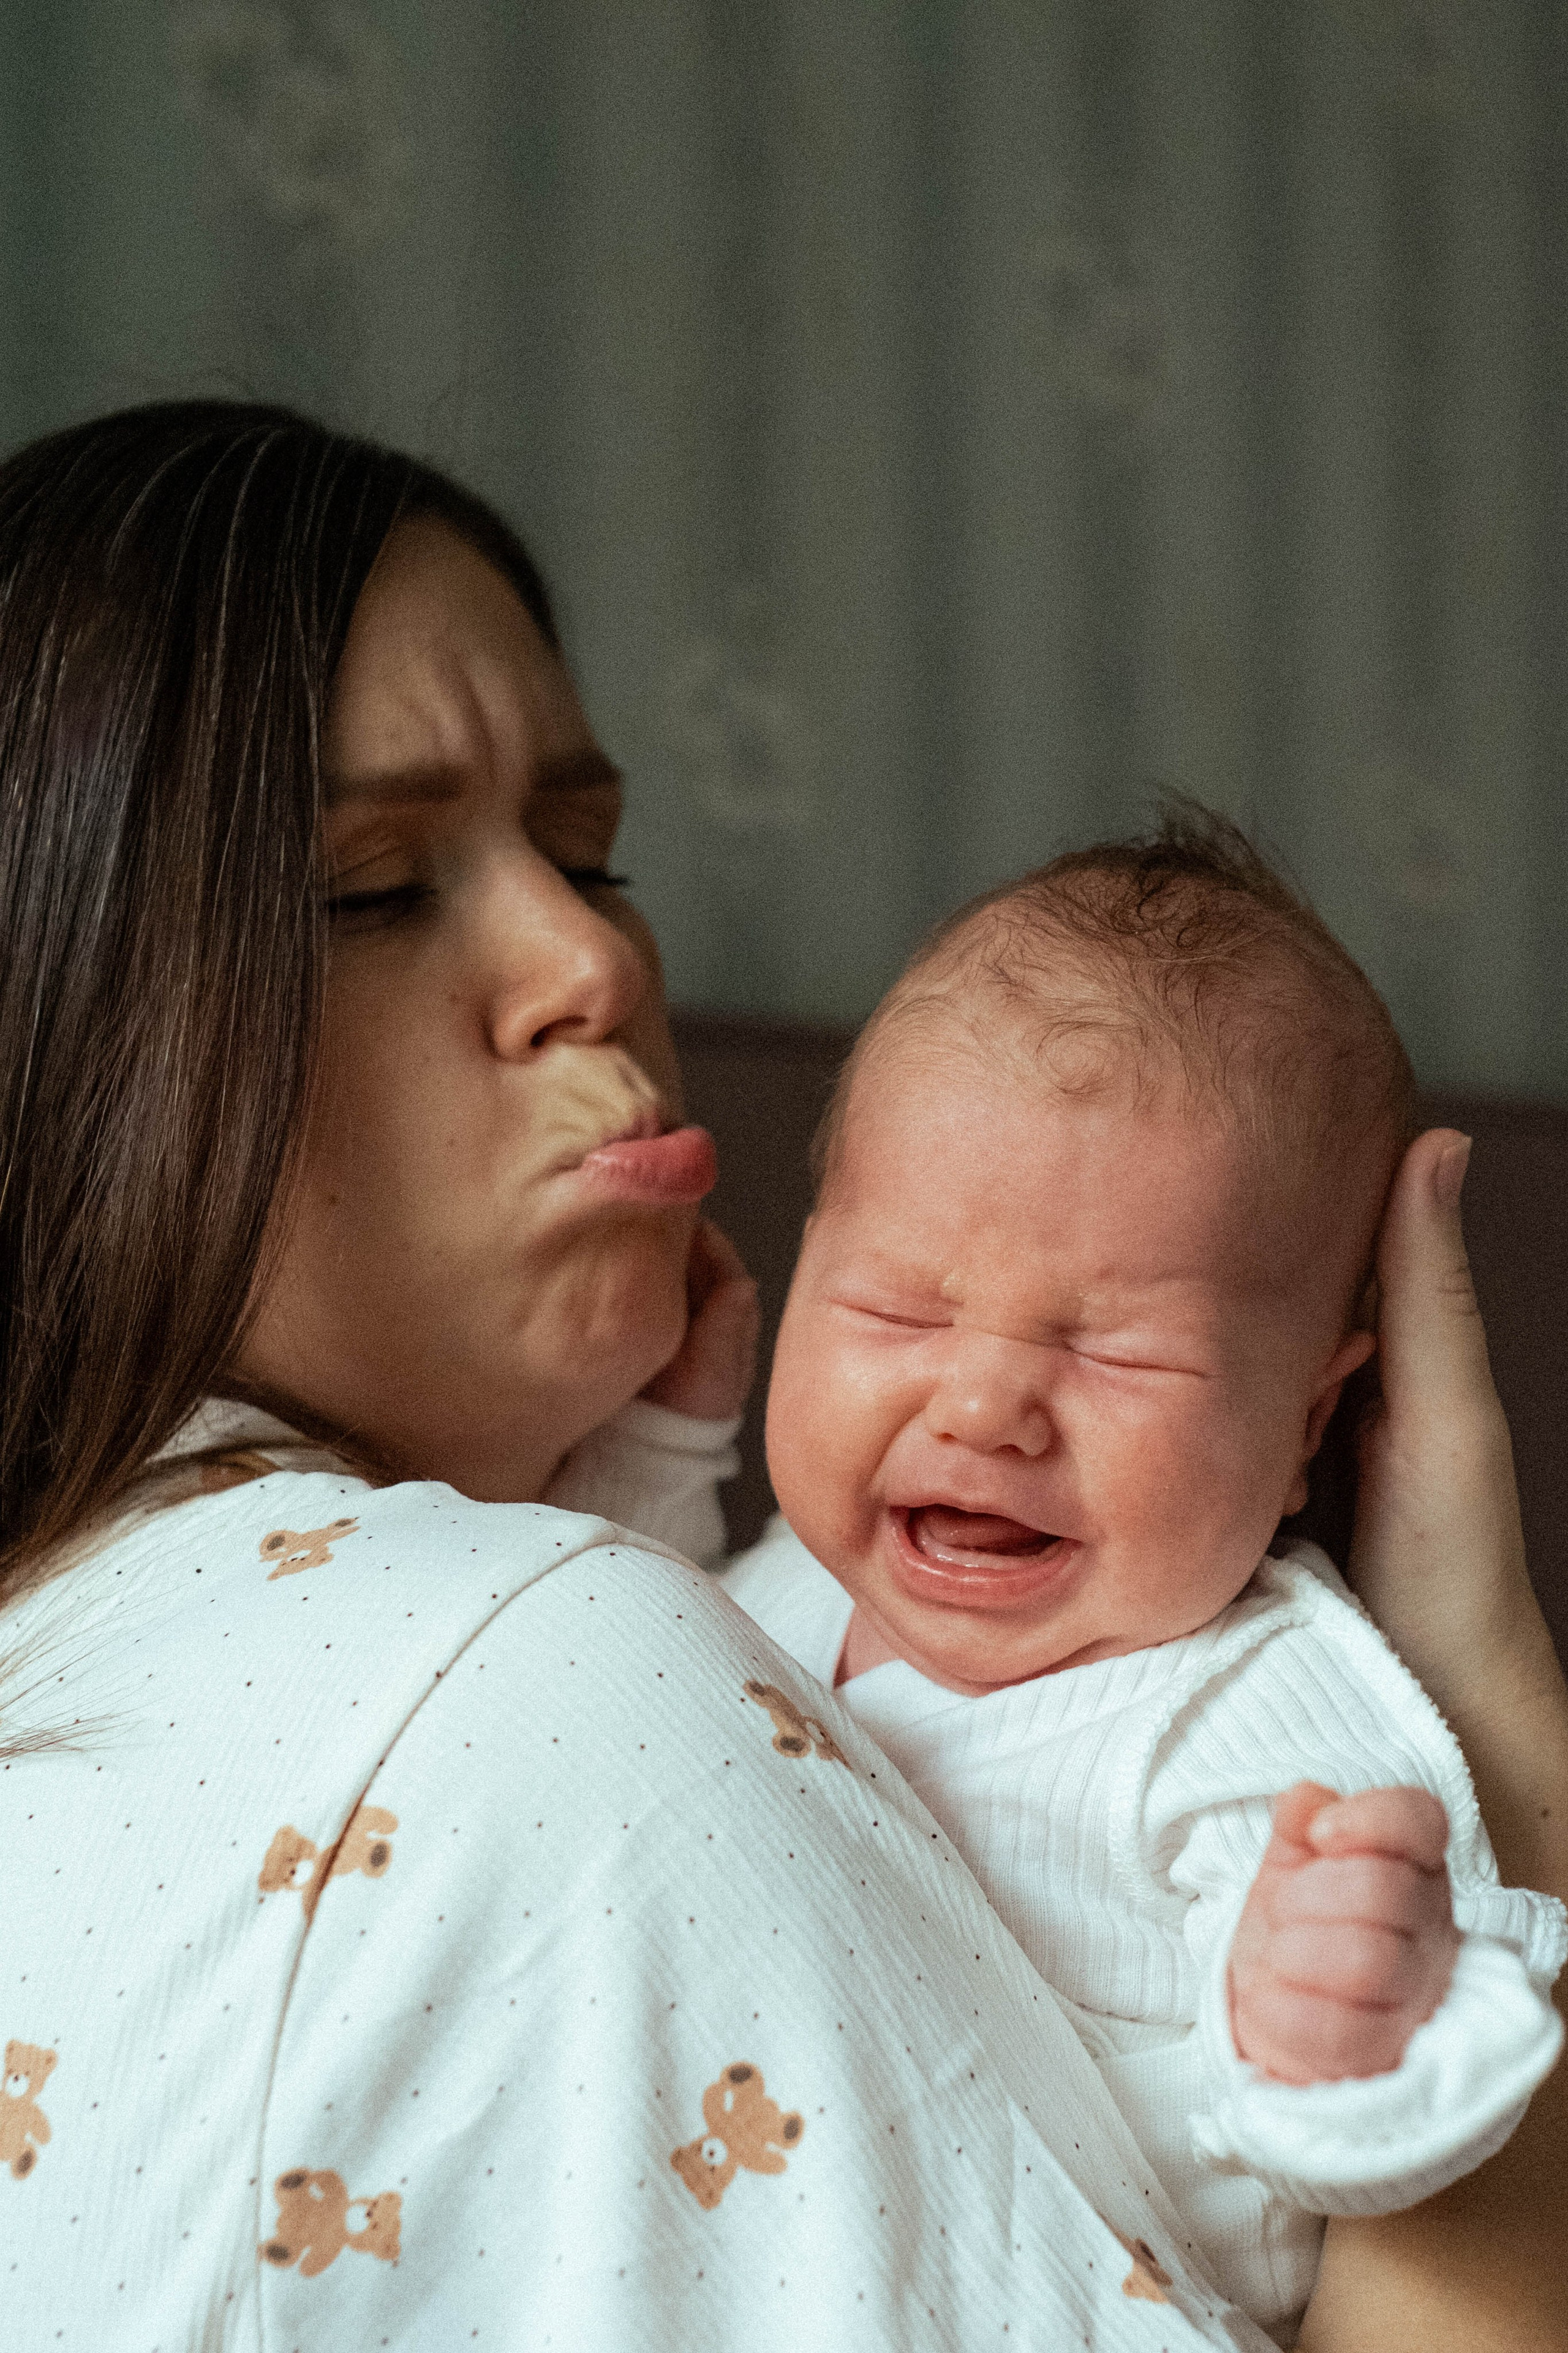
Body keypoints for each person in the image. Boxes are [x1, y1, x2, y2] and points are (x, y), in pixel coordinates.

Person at [0, 404, 1562, 2351]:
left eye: (592, 849)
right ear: (61, 1027)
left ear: (1314, 1400)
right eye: (376, 886)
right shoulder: (525, 1678)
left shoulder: (108, 1643)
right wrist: (1520, 1763)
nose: (592, 953)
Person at [612, 823, 1560, 2343]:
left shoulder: (1256, 1720)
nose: (983, 1404)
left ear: (1309, 1417)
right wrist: (662, 1452)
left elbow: (1439, 2134)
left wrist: (1346, 2021)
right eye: (897, 1306)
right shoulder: (792, 1578)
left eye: (1113, 1349)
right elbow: (635, 1669)